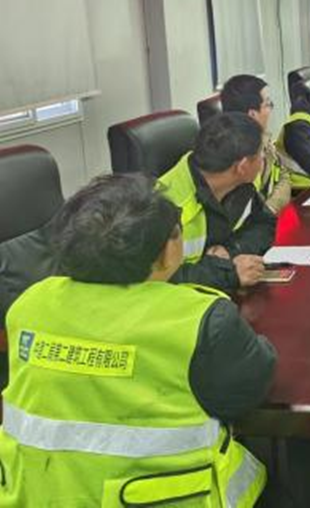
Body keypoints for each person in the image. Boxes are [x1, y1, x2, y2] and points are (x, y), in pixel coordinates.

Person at [0, 174, 275, 506]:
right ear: (166, 253)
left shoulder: (30, 304)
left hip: (37, 496)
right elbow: (249, 390)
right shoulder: (200, 320)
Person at [158, 112, 273, 291]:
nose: (264, 159)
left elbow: (265, 224)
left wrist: (231, 250)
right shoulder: (166, 206)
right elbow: (160, 278)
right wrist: (228, 274)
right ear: (242, 166)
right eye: (261, 153)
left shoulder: (242, 184)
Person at [220, 74, 292, 214]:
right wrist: (267, 214)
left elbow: (284, 176)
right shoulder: (236, 156)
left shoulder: (262, 140)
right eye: (268, 105)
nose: (270, 110)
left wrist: (271, 208)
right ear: (252, 114)